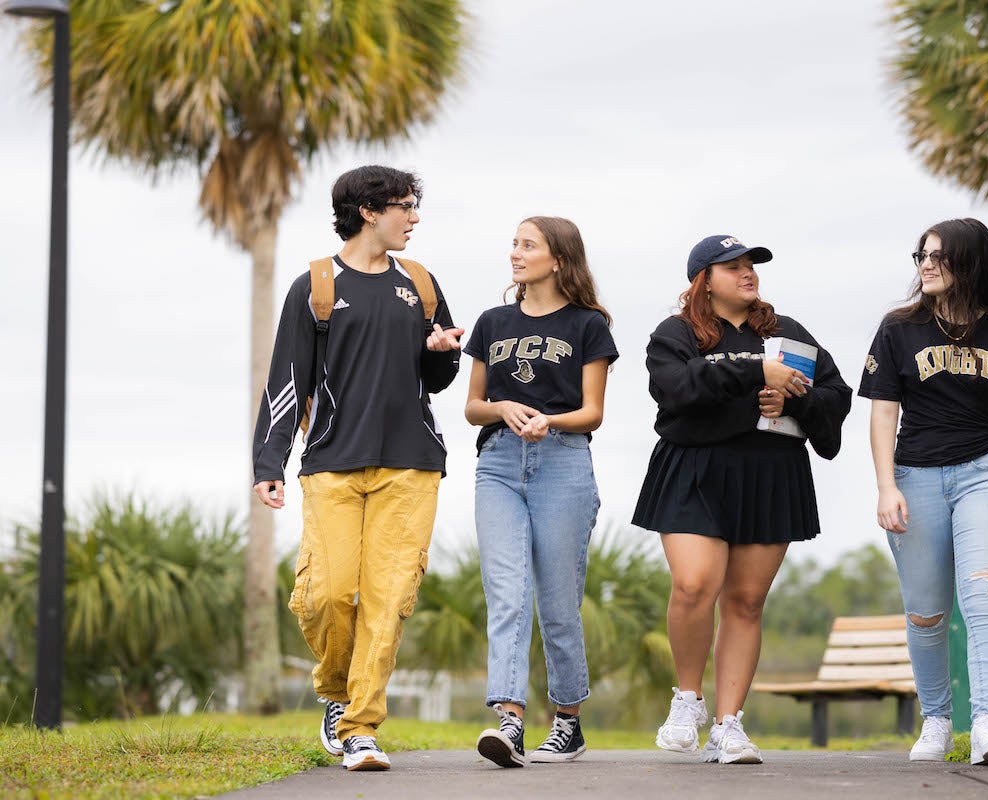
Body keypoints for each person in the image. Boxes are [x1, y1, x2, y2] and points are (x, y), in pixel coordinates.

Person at [251, 165, 463, 771]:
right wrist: (271, 461)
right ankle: (336, 691)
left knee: (387, 597)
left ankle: (360, 726)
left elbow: (435, 379)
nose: (414, 217)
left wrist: (439, 352)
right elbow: (286, 380)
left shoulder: (419, 283)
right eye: (405, 206)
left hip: (412, 461)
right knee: (327, 593)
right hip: (332, 463)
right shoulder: (315, 285)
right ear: (369, 210)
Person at [632, 234, 851, 764]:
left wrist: (793, 398)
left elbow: (836, 394)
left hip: (769, 472)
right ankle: (688, 698)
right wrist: (756, 372)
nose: (747, 273)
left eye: (750, 265)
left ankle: (729, 725)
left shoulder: (788, 332)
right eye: (731, 267)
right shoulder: (675, 333)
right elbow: (677, 388)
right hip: (694, 468)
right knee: (693, 585)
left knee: (747, 601)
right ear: (703, 280)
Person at [858, 218, 988, 766]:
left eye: (939, 255)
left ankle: (987, 720)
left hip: (985, 473)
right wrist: (886, 487)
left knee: (984, 595)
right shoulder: (898, 329)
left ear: (972, 262)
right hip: (914, 477)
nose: (926, 265)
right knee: (927, 613)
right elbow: (882, 412)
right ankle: (937, 720)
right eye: (921, 255)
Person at [464, 216, 619, 768]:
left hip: (563, 465)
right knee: (507, 595)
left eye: (527, 245)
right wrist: (503, 409)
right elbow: (472, 406)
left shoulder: (589, 325)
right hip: (499, 465)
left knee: (557, 603)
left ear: (558, 259)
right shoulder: (491, 321)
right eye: (513, 243)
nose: (515, 253)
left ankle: (568, 722)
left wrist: (548, 422)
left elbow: (592, 412)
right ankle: (509, 721)